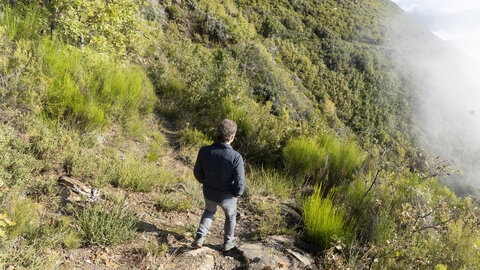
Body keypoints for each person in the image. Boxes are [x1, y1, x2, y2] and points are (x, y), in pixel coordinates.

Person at [192, 119, 245, 252]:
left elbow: (197, 172)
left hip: (209, 192)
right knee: (231, 216)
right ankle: (228, 243)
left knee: (209, 211)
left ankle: (199, 237)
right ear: (232, 137)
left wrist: (205, 182)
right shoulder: (236, 157)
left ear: (217, 133)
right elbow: (239, 180)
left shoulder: (204, 150)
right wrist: (238, 193)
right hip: (227, 197)